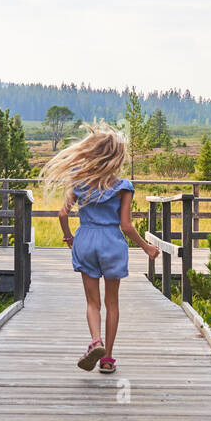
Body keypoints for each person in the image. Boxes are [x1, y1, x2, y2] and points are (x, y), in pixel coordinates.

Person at [40, 124, 159, 373]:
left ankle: (96, 341)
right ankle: (107, 359)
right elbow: (126, 226)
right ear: (116, 158)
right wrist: (146, 247)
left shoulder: (78, 181)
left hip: (85, 240)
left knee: (92, 302)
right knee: (112, 303)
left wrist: (69, 238)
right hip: (111, 244)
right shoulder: (123, 186)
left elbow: (63, 214)